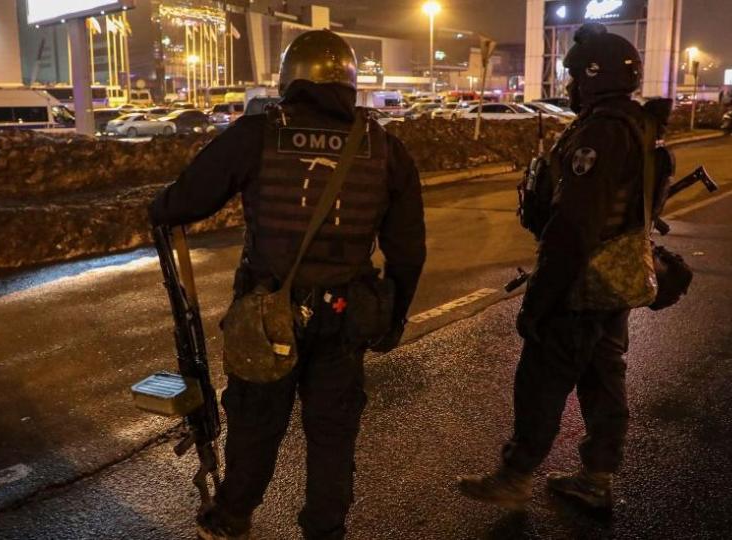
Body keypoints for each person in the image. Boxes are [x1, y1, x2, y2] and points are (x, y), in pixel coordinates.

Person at [149, 30, 426, 539]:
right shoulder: (386, 148)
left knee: (255, 424)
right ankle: (325, 530)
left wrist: (161, 205)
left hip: (266, 313)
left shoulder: (258, 133)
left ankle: (232, 517)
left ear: (290, 79)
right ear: (349, 83)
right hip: (346, 316)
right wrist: (394, 319)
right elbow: (408, 252)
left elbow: (183, 202)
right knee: (333, 434)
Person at [457, 24, 650, 512]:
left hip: (582, 282)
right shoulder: (638, 125)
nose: (567, 87)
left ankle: (515, 475)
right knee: (604, 374)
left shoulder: (601, 132)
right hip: (613, 280)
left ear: (594, 77)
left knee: (542, 377)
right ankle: (597, 476)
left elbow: (573, 227)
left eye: (573, 77)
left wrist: (539, 303)